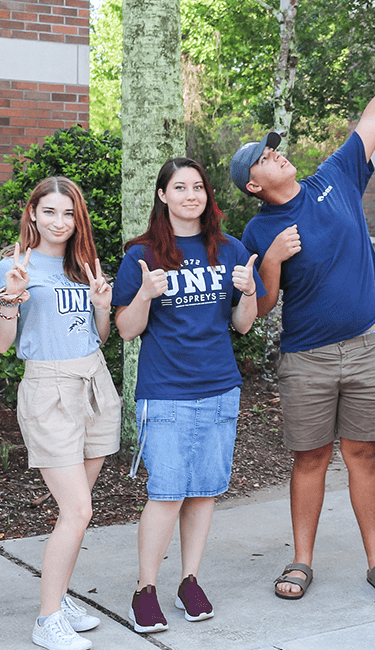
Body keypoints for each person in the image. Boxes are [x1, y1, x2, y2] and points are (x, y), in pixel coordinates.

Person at [233, 22, 375, 602]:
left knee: (363, 455)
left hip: (368, 349)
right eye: (264, 156)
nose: (276, 152)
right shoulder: (258, 228)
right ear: (252, 185)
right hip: (307, 358)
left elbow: (374, 117)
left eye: (275, 146)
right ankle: (301, 562)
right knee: (311, 458)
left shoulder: (335, 177)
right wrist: (269, 261)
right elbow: (261, 305)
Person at [112, 158, 262, 633]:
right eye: (180, 187)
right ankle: (145, 588)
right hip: (167, 391)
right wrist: (144, 296)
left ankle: (190, 581)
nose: (191, 195)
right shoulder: (142, 254)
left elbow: (242, 324)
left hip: (220, 388)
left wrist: (250, 291)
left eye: (197, 187)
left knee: (203, 492)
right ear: (163, 195)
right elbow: (126, 331)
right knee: (166, 493)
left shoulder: (231, 249)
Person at [0, 177, 118, 650]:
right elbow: (2, 345)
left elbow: (97, 336)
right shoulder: (12, 267)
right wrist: (9, 298)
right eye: (50, 212)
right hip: (48, 390)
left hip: (94, 383)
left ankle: (59, 597)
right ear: (33, 215)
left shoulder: (83, 265)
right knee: (77, 509)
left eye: (68, 214)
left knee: (78, 510)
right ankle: (47, 619)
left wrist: (102, 306)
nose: (59, 222)